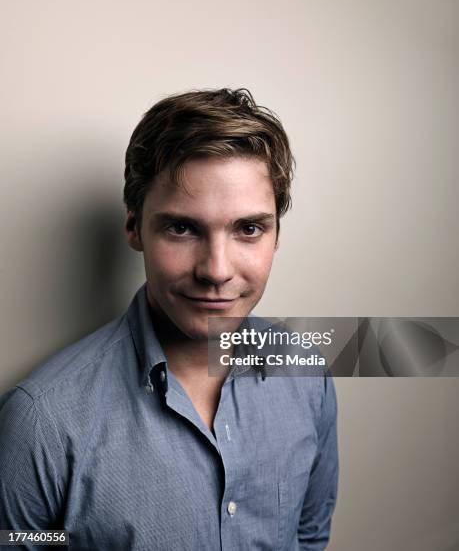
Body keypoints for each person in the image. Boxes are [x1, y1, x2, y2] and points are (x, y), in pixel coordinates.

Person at [0, 88, 339, 550]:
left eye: (249, 229)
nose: (216, 271)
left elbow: (308, 536)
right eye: (182, 228)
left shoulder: (305, 372)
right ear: (134, 226)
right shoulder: (40, 422)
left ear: (276, 234)